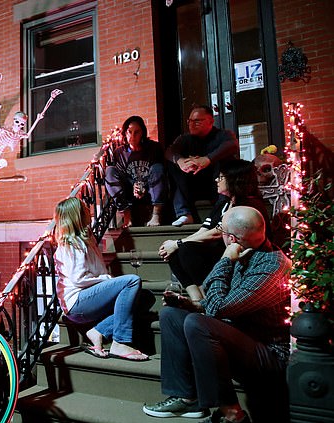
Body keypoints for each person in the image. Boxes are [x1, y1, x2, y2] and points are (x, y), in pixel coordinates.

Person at [143, 206, 291, 423]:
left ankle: (233, 414)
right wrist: (191, 305)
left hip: (268, 352)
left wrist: (224, 260)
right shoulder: (246, 252)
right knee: (172, 315)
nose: (218, 233)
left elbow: (218, 308)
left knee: (197, 324)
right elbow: (219, 304)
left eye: (220, 229)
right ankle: (187, 398)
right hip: (238, 333)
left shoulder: (271, 266)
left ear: (231, 238)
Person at [158, 159, 272, 301]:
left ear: (234, 179)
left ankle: (208, 301)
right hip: (221, 251)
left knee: (187, 249)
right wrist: (175, 244)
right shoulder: (224, 201)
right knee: (174, 253)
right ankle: (196, 299)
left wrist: (179, 243)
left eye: (221, 177)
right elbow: (204, 229)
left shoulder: (248, 204)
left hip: (241, 255)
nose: (216, 180)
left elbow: (218, 233)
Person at [53, 197, 148, 361]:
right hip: (77, 302)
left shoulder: (86, 240)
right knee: (132, 281)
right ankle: (119, 342)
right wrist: (106, 279)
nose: (88, 210)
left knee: (143, 296)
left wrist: (108, 281)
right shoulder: (71, 243)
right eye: (84, 208)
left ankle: (98, 331)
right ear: (77, 215)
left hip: (87, 299)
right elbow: (78, 280)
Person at [166, 106, 239, 226]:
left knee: (224, 160)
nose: (192, 124)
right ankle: (185, 213)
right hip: (193, 185)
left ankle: (221, 210)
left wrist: (208, 159)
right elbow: (170, 151)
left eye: (197, 121)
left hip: (216, 186)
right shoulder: (185, 139)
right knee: (173, 165)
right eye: (190, 121)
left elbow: (232, 145)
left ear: (210, 121)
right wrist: (180, 161)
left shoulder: (223, 135)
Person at [105, 116, 167, 227]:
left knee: (158, 168)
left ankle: (156, 214)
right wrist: (134, 186)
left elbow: (158, 172)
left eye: (137, 132)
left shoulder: (154, 148)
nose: (132, 136)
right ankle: (127, 215)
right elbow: (121, 176)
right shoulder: (119, 152)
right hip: (130, 190)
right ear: (125, 133)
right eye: (129, 132)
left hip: (150, 187)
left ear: (142, 133)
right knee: (109, 171)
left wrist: (143, 186)